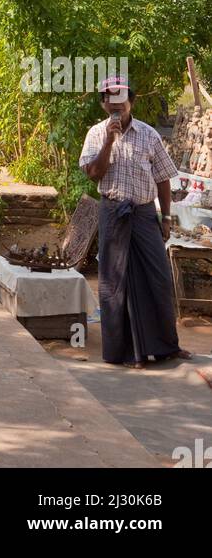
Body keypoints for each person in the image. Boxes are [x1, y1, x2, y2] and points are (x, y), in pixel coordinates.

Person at [79, 76, 190, 368]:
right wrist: (108, 142)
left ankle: (167, 347)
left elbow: (163, 178)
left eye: (122, 103)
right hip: (114, 214)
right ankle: (126, 353)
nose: (117, 109)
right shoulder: (96, 134)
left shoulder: (149, 135)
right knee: (115, 285)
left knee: (159, 279)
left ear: (132, 101)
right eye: (111, 103)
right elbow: (93, 174)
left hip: (143, 215)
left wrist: (165, 217)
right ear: (104, 104)